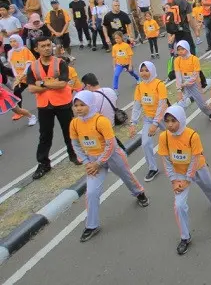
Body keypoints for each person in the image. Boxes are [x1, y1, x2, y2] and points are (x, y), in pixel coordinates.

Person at [70, 91, 149, 243]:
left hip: (112, 156)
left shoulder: (101, 121)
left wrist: (99, 162)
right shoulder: (74, 123)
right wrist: (87, 162)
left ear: (91, 104)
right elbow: (75, 144)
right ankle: (92, 225)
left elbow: (111, 144)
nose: (78, 108)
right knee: (91, 192)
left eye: (82, 105)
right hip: (93, 161)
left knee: (127, 177)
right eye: (76, 105)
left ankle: (139, 193)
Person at [158, 105, 211, 255]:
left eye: (173, 121)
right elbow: (166, 160)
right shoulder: (163, 137)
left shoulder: (192, 136)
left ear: (182, 120)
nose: (170, 125)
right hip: (178, 174)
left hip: (197, 168)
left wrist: (188, 179)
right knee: (179, 206)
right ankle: (185, 237)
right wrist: (174, 180)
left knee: (210, 187)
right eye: (167, 121)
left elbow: (194, 159)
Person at [27, 36, 80, 178]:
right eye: (43, 46)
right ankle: (44, 164)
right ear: (36, 49)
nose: (47, 48)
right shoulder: (33, 66)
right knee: (45, 135)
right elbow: (31, 88)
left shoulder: (60, 63)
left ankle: (74, 155)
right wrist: (52, 84)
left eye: (48, 45)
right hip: (44, 105)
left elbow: (63, 84)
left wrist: (42, 84)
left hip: (62, 102)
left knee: (69, 131)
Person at [129, 62, 168, 182]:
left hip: (164, 118)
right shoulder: (139, 87)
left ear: (152, 70)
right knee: (145, 143)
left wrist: (155, 123)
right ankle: (153, 168)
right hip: (148, 118)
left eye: (147, 70)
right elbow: (137, 105)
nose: (144, 73)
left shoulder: (159, 84)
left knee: (175, 138)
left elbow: (162, 105)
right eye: (142, 70)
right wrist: (133, 123)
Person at [174, 40, 211, 119]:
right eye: (178, 50)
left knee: (202, 104)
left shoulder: (194, 59)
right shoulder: (177, 60)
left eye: (182, 49)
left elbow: (195, 75)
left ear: (187, 48)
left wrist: (186, 83)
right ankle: (179, 122)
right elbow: (178, 76)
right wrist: (179, 90)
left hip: (195, 85)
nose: (180, 51)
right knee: (181, 104)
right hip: (184, 86)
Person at [7, 34, 36, 122]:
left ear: (19, 41)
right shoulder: (10, 52)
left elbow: (29, 63)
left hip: (31, 75)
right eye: (11, 42)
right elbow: (12, 65)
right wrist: (16, 76)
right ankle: (19, 111)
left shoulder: (25, 50)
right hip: (20, 78)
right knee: (16, 91)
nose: (13, 43)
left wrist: (23, 74)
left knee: (39, 89)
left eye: (14, 41)